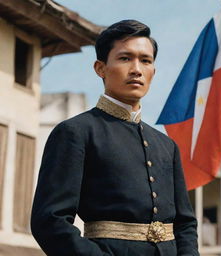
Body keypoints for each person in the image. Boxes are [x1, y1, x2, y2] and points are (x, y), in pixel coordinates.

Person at [31, 20, 199, 256]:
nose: (136, 69)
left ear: (153, 71)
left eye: (145, 60)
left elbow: (185, 224)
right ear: (100, 68)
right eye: (125, 58)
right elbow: (49, 221)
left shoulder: (166, 145)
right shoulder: (76, 132)